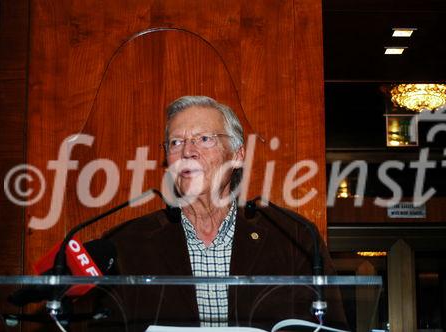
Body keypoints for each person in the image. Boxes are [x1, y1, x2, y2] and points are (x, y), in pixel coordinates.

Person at [88, 96, 348, 331]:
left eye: (204, 139)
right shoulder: (125, 244)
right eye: (176, 142)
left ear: (237, 155)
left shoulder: (295, 238)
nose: (187, 151)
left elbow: (329, 325)